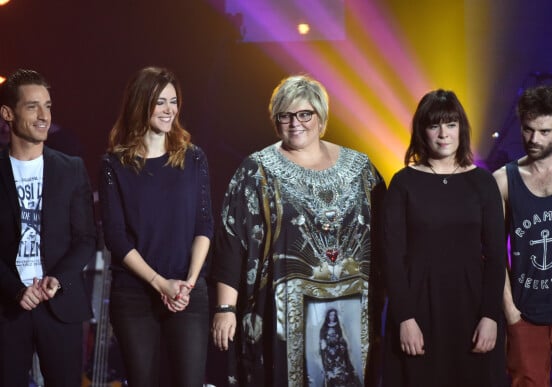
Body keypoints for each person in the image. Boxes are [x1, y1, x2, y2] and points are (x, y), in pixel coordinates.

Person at [211, 74, 384, 386]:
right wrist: (225, 308)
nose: (295, 123)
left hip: (353, 308)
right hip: (282, 315)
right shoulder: (257, 171)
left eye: (304, 114)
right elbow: (230, 242)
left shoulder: (361, 169)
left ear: (320, 116)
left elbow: (388, 236)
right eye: (286, 116)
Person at [382, 89, 506, 386]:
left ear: (461, 128)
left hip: (473, 309)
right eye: (434, 125)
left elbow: (496, 256)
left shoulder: (483, 182)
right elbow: (391, 257)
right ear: (422, 131)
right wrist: (405, 318)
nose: (443, 134)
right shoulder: (403, 183)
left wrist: (491, 315)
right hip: (418, 309)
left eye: (451, 124)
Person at [98, 66, 213, 387]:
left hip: (187, 294)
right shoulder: (114, 164)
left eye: (173, 101)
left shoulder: (193, 158)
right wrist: (160, 284)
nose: (169, 110)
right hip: (135, 295)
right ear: (140, 104)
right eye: (159, 102)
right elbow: (116, 239)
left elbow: (205, 225)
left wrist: (188, 283)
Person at [0, 69, 97, 386]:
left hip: (60, 306)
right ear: (7, 113)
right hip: (8, 308)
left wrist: (58, 278)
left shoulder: (71, 168)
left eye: (48, 106)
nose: (44, 116)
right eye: (32, 106)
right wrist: (16, 290)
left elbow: (85, 238)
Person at [493, 84, 552, 386]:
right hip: (525, 315)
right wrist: (511, 313)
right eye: (528, 129)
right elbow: (491, 251)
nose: (533, 139)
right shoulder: (503, 180)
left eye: (544, 131)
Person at [319, 308, 361, 387]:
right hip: (328, 354)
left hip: (339, 353)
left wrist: (342, 346)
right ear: (328, 316)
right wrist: (323, 344)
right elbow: (322, 340)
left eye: (334, 315)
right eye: (331, 315)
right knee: (331, 375)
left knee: (341, 373)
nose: (333, 317)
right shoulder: (324, 327)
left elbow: (342, 338)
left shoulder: (338, 326)